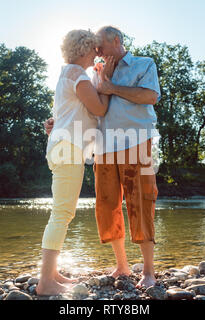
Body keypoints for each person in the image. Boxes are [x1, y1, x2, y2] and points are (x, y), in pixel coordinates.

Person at [45, 26, 161, 289]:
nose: (97, 52)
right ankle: (122, 265)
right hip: (104, 147)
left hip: (136, 142)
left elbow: (150, 96)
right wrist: (59, 124)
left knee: (140, 202)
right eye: (95, 48)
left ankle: (149, 271)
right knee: (107, 206)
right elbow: (88, 107)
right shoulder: (95, 72)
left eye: (101, 46)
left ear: (117, 41)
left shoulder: (144, 64)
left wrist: (111, 87)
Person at [36, 29, 115, 296]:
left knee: (61, 212)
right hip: (68, 149)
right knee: (62, 214)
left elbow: (66, 114)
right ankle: (45, 281)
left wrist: (52, 124)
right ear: (84, 50)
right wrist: (104, 79)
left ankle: (52, 272)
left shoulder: (65, 74)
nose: (97, 54)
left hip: (61, 147)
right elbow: (100, 109)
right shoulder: (79, 76)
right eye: (94, 49)